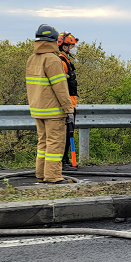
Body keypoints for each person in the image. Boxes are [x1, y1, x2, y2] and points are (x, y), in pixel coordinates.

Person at [26, 24, 74, 184]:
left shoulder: (32, 59)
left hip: (38, 110)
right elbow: (60, 88)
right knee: (55, 143)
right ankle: (53, 176)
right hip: (53, 111)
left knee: (43, 142)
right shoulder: (52, 59)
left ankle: (41, 174)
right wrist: (69, 109)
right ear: (53, 41)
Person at [57, 32, 79, 171]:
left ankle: (66, 160)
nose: (72, 49)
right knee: (65, 133)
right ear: (64, 46)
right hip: (67, 104)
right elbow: (61, 84)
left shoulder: (67, 61)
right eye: (70, 46)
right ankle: (63, 162)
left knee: (69, 132)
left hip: (71, 102)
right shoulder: (61, 61)